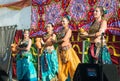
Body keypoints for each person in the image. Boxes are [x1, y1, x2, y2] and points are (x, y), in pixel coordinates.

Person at [57, 15, 80, 81]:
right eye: (62, 21)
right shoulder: (60, 30)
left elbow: (64, 39)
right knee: (62, 69)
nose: (62, 23)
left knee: (71, 67)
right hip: (60, 51)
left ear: (68, 22)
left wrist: (55, 41)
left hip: (67, 51)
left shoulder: (69, 30)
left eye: (64, 21)